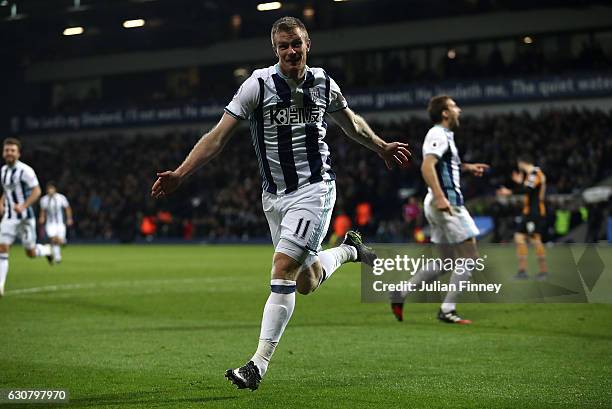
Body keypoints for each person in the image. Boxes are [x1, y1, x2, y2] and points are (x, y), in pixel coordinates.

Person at [151, 16, 411, 390]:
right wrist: (180, 172)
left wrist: (381, 146)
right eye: (283, 45)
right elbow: (217, 137)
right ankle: (351, 252)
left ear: (308, 45)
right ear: (275, 50)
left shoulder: (324, 83)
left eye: (296, 44)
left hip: (315, 189)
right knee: (305, 282)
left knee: (282, 268)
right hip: (274, 198)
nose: (291, 51)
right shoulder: (258, 84)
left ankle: (257, 365)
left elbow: (350, 124)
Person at [390, 96, 488, 324]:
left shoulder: (445, 136)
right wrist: (442, 197)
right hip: (446, 203)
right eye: (454, 106)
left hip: (437, 201)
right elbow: (427, 166)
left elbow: (445, 166)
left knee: (446, 261)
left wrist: (466, 167)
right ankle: (447, 310)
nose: (459, 110)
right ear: (445, 113)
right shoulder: (437, 134)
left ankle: (401, 293)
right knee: (470, 255)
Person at [0, 138, 54, 297]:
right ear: (3, 152)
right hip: (9, 218)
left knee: (30, 252)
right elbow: (7, 190)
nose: (9, 153)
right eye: (7, 150)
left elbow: (37, 191)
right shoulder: (3, 171)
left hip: (25, 218)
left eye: (12, 150)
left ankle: (46, 249)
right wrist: (1, 202)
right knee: (2, 248)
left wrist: (23, 206)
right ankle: (0, 285)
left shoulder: (26, 171)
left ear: (18, 153)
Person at [498, 155, 548, 280]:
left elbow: (528, 190)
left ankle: (542, 271)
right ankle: (523, 271)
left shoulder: (534, 173)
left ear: (521, 163)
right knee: (520, 237)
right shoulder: (534, 175)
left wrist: (510, 192)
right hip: (529, 212)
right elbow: (531, 189)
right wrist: (520, 182)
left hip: (534, 212)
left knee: (534, 239)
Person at [39, 182, 73, 264]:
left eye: (52, 189)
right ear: (47, 191)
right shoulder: (44, 199)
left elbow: (67, 208)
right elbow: (43, 210)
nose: (50, 191)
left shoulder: (61, 198)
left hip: (60, 223)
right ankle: (58, 258)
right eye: (49, 189)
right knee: (53, 239)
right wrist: (42, 217)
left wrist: (69, 218)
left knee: (59, 240)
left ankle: (63, 241)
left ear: (55, 189)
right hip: (50, 223)